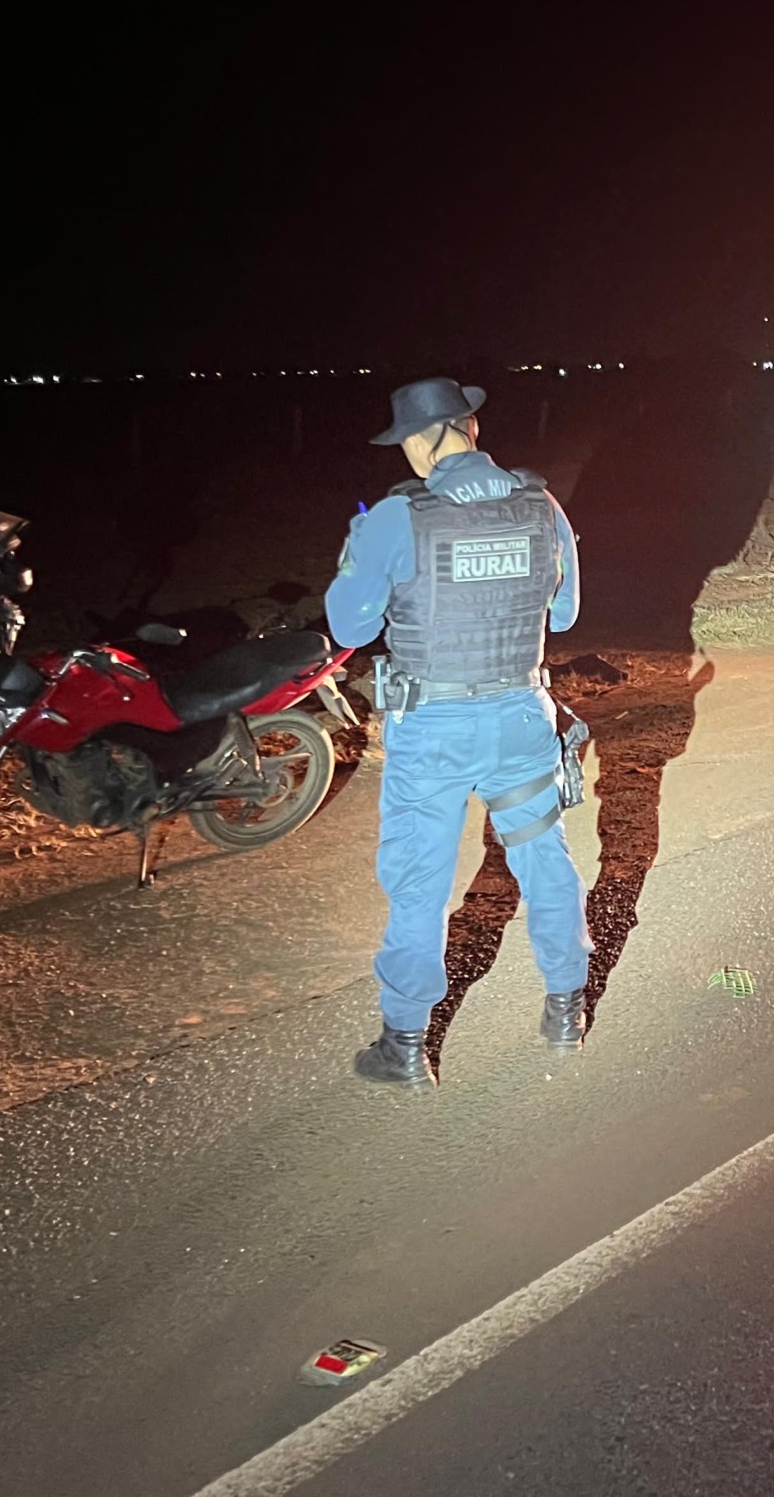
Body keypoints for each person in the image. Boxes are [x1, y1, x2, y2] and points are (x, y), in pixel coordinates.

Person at [326, 376, 586, 1089]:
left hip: (432, 727)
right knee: (544, 860)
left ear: (419, 441)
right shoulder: (542, 505)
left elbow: (348, 627)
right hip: (520, 718)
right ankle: (567, 1008)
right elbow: (563, 616)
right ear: (470, 429)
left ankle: (405, 1046)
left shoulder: (393, 517)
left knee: (420, 885)